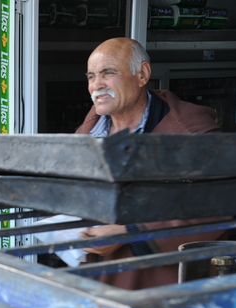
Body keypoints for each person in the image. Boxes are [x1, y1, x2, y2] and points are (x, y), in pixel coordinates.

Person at [75, 37, 226, 289]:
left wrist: (129, 233)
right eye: (91, 76)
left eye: (108, 73)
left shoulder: (191, 133)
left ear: (142, 74)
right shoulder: (90, 132)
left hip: (160, 287)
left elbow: (215, 207)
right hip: (96, 282)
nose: (96, 85)